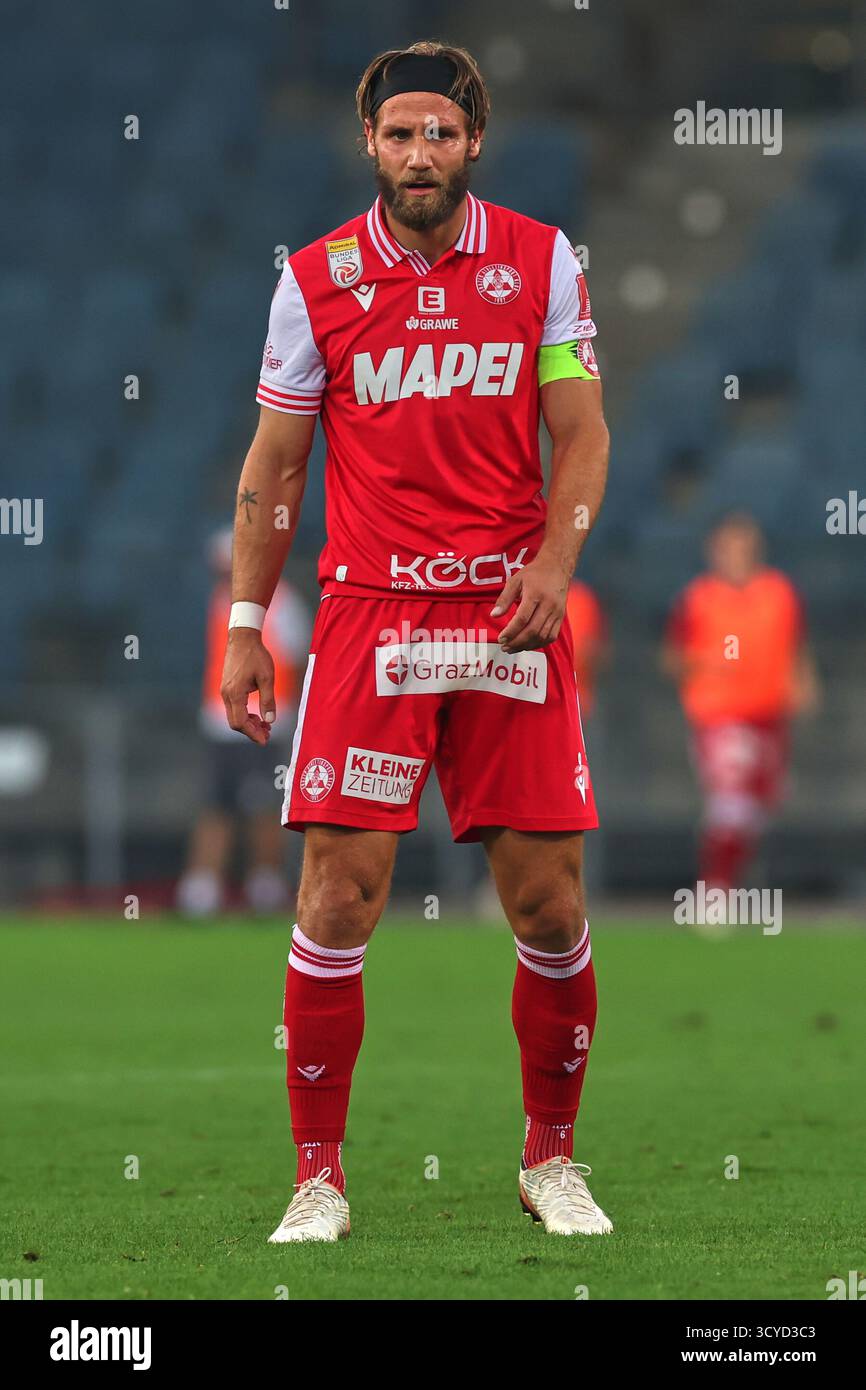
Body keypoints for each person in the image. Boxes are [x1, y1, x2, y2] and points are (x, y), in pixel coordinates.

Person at [220, 41, 611, 1241]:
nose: (419, 153)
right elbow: (277, 465)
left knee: (545, 902)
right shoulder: (318, 278)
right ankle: (317, 1177)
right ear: (370, 146)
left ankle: (551, 1161)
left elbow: (582, 436)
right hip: (370, 617)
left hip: (506, 616)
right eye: (399, 134)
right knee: (338, 895)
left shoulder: (541, 261)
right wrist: (247, 621)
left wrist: (552, 564)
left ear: (473, 140)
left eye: (439, 132)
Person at [662, 513, 819, 891]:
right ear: (713, 551)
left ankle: (734, 881)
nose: (737, 554)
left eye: (745, 546)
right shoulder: (699, 598)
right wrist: (707, 661)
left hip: (769, 713)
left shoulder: (778, 592)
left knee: (758, 807)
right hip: (720, 715)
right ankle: (715, 887)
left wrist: (804, 682)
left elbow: (794, 645)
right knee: (729, 802)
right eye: (729, 546)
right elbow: (673, 658)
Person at [177, 529, 310, 916]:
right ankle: (203, 887)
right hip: (221, 722)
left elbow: (298, 661)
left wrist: (293, 713)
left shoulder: (282, 604)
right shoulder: (221, 602)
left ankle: (264, 884)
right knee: (215, 804)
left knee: (262, 804)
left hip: (265, 723)